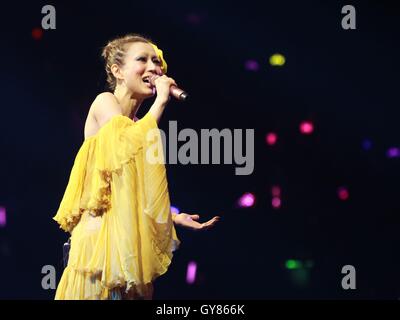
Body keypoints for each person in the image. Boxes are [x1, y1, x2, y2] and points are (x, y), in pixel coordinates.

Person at [53, 34, 220, 300]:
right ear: (117, 71)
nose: (154, 68)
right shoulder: (105, 103)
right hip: (98, 251)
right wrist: (162, 101)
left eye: (157, 61)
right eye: (142, 59)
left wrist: (173, 217)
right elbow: (122, 144)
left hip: (127, 252)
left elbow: (136, 195)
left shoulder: (141, 125)